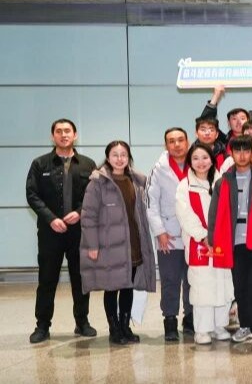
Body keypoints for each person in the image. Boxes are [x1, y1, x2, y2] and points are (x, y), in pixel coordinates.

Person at [25, 118, 98, 343]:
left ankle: (82, 322)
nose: (64, 135)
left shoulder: (88, 164)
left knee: (80, 278)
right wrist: (50, 219)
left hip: (79, 232)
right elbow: (32, 194)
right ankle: (42, 326)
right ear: (52, 136)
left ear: (75, 135)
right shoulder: (40, 164)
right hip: (50, 233)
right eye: (59, 131)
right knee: (47, 280)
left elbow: (94, 195)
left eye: (67, 131)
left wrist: (80, 212)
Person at [79, 141, 157, 345]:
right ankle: (114, 329)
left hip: (133, 243)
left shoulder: (137, 181)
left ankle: (125, 327)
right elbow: (88, 216)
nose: (120, 158)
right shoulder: (98, 182)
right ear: (108, 157)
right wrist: (92, 245)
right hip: (109, 246)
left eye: (124, 154)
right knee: (112, 288)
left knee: (128, 287)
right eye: (115, 155)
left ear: (129, 157)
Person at [207, 135, 252, 347]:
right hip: (233, 241)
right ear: (231, 153)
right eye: (237, 151)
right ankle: (245, 325)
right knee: (240, 287)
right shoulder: (223, 181)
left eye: (246, 151)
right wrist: (212, 238)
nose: (241, 155)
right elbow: (214, 213)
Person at [175, 143, 234, 345]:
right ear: (190, 162)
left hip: (221, 242)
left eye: (205, 157)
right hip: (198, 243)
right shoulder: (184, 186)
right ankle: (202, 329)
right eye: (195, 158)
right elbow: (185, 215)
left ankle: (219, 325)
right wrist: (204, 236)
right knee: (202, 286)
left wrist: (219, 236)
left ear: (212, 160)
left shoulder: (222, 182)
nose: (201, 162)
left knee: (223, 283)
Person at [146, 127, 194, 341]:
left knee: (193, 280)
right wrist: (160, 232)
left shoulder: (198, 163)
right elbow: (151, 203)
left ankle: (190, 318)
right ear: (166, 145)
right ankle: (170, 320)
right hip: (169, 235)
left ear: (187, 142)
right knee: (170, 280)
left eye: (180, 140)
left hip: (194, 234)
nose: (177, 145)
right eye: (172, 141)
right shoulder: (159, 169)